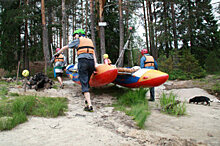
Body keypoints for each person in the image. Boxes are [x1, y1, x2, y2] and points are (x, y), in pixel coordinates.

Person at [54, 29, 97, 112]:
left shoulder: (78, 40)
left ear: (79, 34)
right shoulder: (90, 41)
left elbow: (65, 47)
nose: (74, 37)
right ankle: (86, 100)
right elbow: (94, 54)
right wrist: (95, 66)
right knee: (87, 81)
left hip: (83, 62)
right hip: (91, 63)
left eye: (75, 35)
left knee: (84, 83)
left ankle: (89, 105)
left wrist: (57, 53)